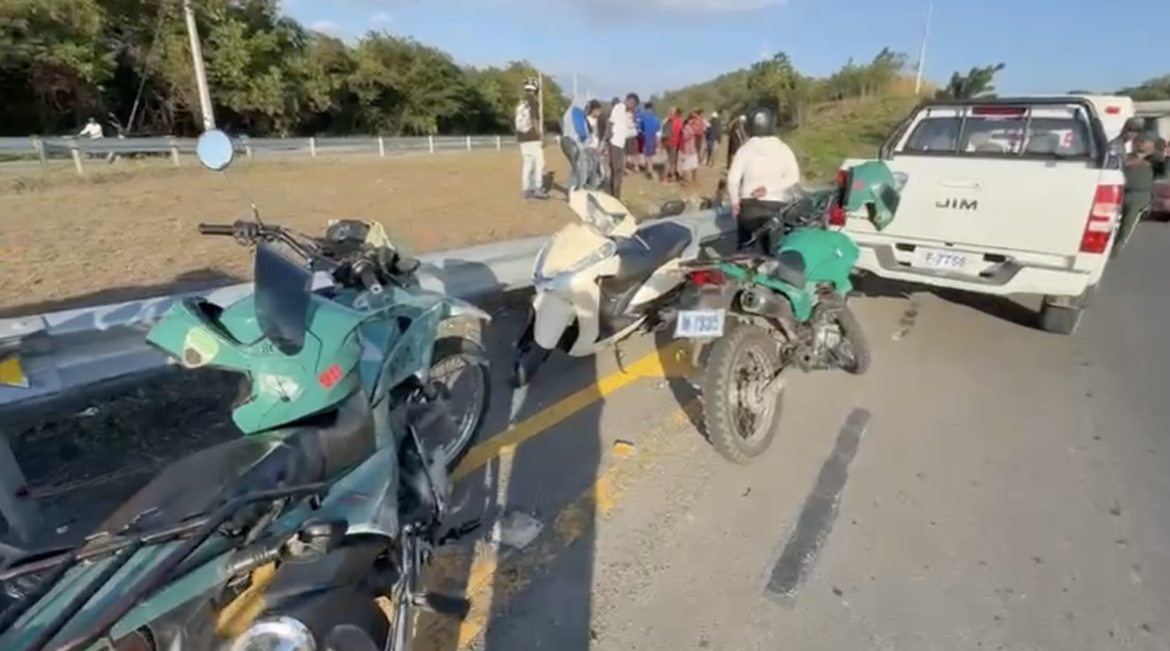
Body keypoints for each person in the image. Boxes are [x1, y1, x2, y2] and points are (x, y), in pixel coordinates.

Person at [727, 107, 802, 251]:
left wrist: (735, 202)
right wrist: (768, 188)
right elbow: (793, 177)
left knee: (744, 251)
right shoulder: (783, 149)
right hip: (775, 209)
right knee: (773, 254)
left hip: (748, 208)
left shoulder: (745, 149)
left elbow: (732, 180)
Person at [515, 77, 547, 200]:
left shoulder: (521, 102)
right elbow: (534, 118)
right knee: (539, 163)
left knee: (527, 165)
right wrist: (540, 134)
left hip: (522, 137)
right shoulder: (533, 101)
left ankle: (526, 190)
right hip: (532, 137)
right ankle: (538, 188)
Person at [606, 93, 639, 200]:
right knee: (617, 169)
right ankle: (615, 194)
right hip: (615, 142)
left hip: (621, 143)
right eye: (633, 104)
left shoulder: (627, 113)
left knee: (619, 169)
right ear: (629, 101)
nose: (633, 107)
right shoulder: (619, 107)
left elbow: (630, 130)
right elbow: (610, 123)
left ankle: (615, 192)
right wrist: (609, 137)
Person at [560, 99, 593, 193]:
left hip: (565, 141)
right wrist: (586, 139)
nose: (586, 109)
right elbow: (581, 129)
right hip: (575, 143)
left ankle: (571, 188)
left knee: (574, 167)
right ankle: (579, 189)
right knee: (581, 167)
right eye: (586, 106)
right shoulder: (576, 112)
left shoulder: (568, 113)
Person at [677, 110, 704, 195]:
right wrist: (693, 131)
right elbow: (685, 137)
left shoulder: (693, 126)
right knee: (686, 168)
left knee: (694, 166)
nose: (694, 120)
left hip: (692, 149)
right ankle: (687, 182)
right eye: (693, 119)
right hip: (687, 150)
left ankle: (693, 180)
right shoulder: (687, 127)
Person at [637, 102, 661, 179]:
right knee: (650, 155)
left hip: (646, 138)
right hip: (653, 138)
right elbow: (658, 131)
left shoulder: (643, 118)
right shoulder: (656, 118)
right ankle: (650, 169)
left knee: (647, 155)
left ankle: (649, 170)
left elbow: (640, 129)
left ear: (646, 109)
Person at [662, 108, 683, 183]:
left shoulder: (667, 120)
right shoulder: (678, 121)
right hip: (673, 142)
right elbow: (681, 131)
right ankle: (665, 178)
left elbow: (663, 132)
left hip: (667, 142)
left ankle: (672, 175)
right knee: (671, 160)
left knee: (672, 160)